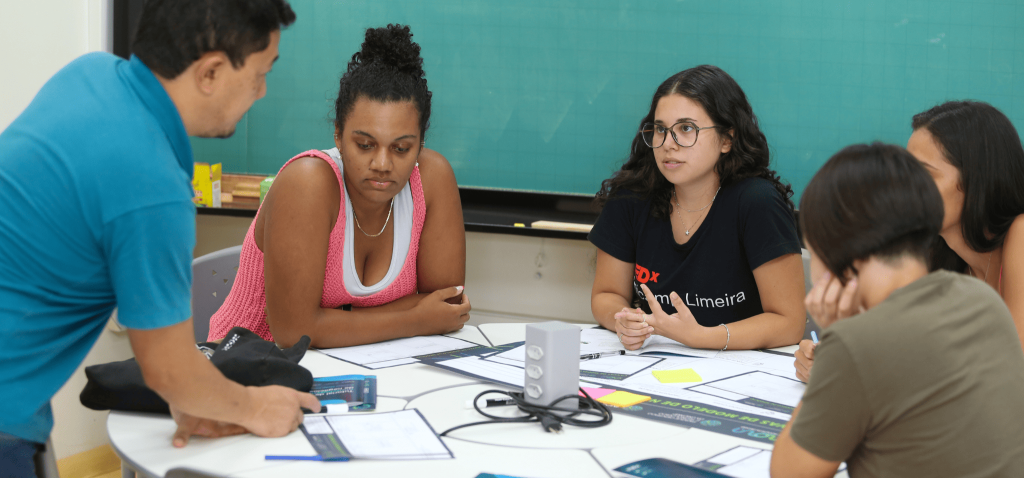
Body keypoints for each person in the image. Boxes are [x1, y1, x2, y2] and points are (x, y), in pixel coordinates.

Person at [0, 1, 320, 475]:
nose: (262, 91)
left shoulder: (91, 74)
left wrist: (200, 395)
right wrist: (256, 408)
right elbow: (168, 369)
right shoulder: (150, 182)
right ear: (210, 71)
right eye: (258, 73)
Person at [206, 24, 470, 349]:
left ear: (420, 144)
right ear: (338, 135)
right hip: (250, 369)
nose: (383, 164)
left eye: (401, 148)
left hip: (366, 364)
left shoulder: (432, 178)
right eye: (365, 145)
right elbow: (294, 333)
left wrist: (330, 320)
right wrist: (414, 317)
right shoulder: (308, 183)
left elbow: (447, 306)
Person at [771, 143, 1024, 477]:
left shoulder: (855, 346)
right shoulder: (982, 299)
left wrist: (836, 343)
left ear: (835, 251)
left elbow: (789, 472)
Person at [794, 100, 1024, 383]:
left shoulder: (1021, 232)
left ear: (978, 178)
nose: (906, 189)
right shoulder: (930, 255)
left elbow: (1009, 366)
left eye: (924, 175)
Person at [589, 65, 805, 351]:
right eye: (661, 130)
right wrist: (623, 319)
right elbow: (607, 293)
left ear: (727, 139)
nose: (669, 144)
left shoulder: (758, 203)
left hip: (737, 367)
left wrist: (701, 337)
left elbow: (789, 322)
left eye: (686, 129)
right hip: (654, 362)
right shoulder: (631, 197)